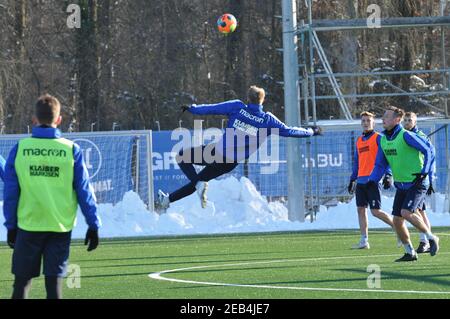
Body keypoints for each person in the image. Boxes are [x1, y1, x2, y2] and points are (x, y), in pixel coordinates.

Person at [157, 85, 322, 209]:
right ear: (262, 100)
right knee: (199, 181)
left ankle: (196, 185)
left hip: (217, 153)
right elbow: (289, 131)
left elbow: (212, 109)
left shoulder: (237, 107)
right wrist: (310, 131)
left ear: (248, 98)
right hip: (230, 163)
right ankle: (167, 200)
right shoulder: (267, 120)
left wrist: (193, 109)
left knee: (182, 157)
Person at [3, 94, 101, 299]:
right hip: (59, 226)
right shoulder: (71, 149)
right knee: (53, 285)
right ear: (59, 119)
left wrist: (11, 226)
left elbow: (11, 193)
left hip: (29, 225)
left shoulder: (20, 149)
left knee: (21, 284)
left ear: (34, 119)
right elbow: (84, 190)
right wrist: (93, 224)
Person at [368, 106, 439, 262]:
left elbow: (429, 150)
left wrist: (425, 172)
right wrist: (372, 180)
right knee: (397, 220)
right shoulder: (384, 140)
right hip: (401, 185)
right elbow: (380, 164)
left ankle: (431, 238)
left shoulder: (406, 136)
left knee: (407, 212)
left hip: (417, 182)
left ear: (397, 120)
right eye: (383, 116)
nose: (383, 119)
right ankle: (410, 252)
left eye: (386, 116)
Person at [348, 111, 395, 249]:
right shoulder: (358, 140)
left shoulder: (379, 138)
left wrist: (388, 174)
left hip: (373, 180)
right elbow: (357, 162)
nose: (365, 123)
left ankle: (398, 228)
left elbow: (387, 158)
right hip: (361, 181)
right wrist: (352, 179)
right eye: (363, 120)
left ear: (373, 122)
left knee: (376, 211)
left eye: (368, 120)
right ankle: (364, 241)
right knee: (360, 209)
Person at [403, 111, 436, 254]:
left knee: (415, 211)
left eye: (409, 120)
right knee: (420, 211)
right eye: (405, 120)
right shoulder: (404, 136)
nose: (407, 122)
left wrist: (430, 178)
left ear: (415, 122)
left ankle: (425, 241)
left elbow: (431, 156)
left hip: (421, 180)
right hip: (411, 179)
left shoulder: (420, 137)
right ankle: (427, 241)